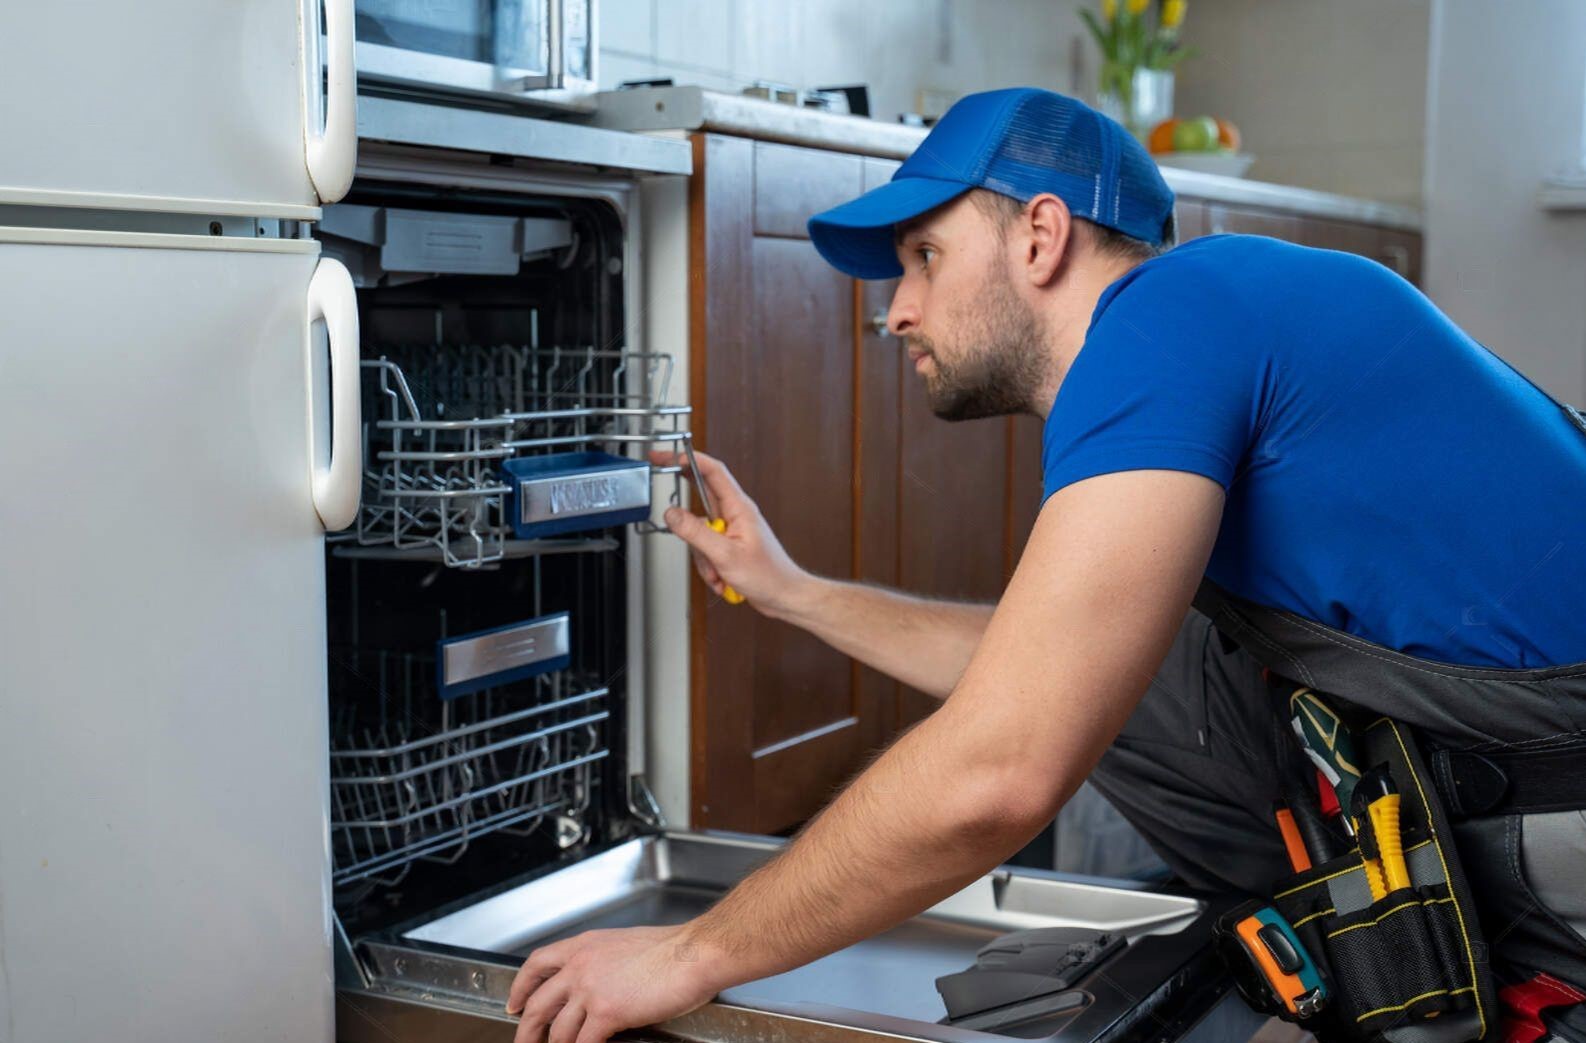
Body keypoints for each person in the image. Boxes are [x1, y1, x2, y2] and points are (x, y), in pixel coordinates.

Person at [506, 88, 1586, 1043]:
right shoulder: (1218, 308)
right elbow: (1045, 669)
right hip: (1498, 752)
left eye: (924, 257)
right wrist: (792, 591)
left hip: (1558, 825)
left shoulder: (1167, 319)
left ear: (1040, 233)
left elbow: (1003, 764)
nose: (896, 309)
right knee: (1138, 674)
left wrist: (691, 950)